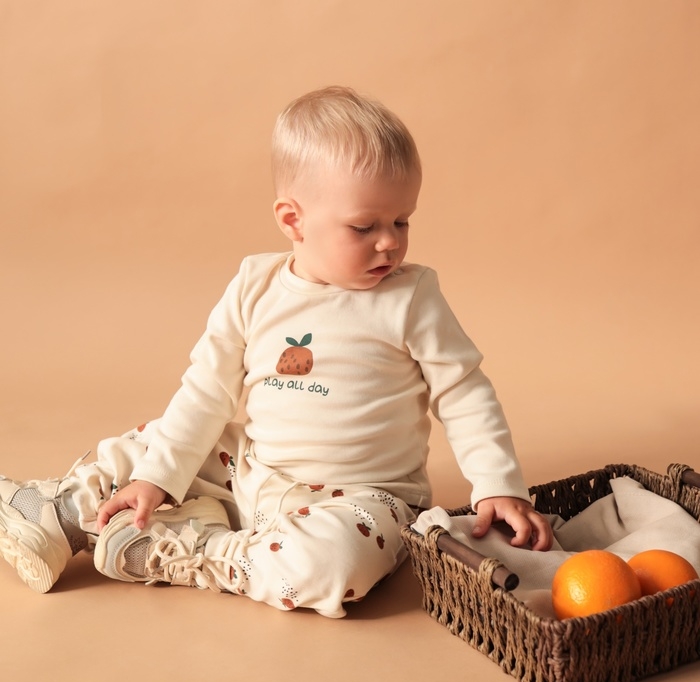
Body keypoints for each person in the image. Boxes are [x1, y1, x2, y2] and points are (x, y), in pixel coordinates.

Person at [0, 86, 553, 618]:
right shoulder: (254, 285)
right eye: (365, 226)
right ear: (293, 220)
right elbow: (207, 391)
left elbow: (464, 392)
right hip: (251, 471)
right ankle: (59, 515)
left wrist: (497, 486)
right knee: (156, 443)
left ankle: (200, 550)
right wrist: (158, 477)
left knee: (337, 564)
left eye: (401, 221)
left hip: (363, 501)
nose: (390, 241)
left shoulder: (411, 297)